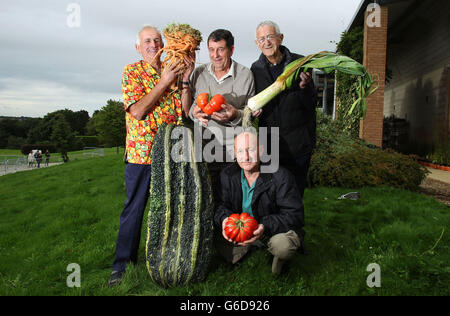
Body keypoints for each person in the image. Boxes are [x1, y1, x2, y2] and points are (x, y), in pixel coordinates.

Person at [109, 25, 194, 287]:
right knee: (135, 209)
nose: (154, 45)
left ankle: (168, 261)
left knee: (171, 211)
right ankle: (121, 267)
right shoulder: (132, 72)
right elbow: (137, 111)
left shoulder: (173, 69)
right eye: (147, 41)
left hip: (173, 153)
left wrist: (186, 79)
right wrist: (165, 81)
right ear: (138, 47)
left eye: (158, 40)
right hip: (142, 155)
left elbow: (186, 111)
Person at [214, 130, 304, 275]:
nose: (246, 157)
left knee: (283, 246)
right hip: (242, 229)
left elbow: (295, 215)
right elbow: (220, 205)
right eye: (241, 151)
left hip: (270, 230)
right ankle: (250, 249)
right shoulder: (227, 175)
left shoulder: (281, 176)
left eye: (251, 150)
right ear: (235, 153)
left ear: (261, 151)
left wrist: (263, 226)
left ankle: (274, 256)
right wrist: (224, 220)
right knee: (213, 234)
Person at [250, 21, 317, 198]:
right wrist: (253, 114)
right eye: (261, 39)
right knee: (271, 193)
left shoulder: (300, 63)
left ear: (280, 38)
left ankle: (294, 226)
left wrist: (305, 87)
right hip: (269, 143)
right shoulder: (255, 69)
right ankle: (273, 226)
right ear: (257, 44)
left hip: (297, 143)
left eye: (270, 37)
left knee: (294, 193)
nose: (266, 42)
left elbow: (311, 103)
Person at [189, 29, 256, 202]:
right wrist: (194, 113)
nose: (215, 55)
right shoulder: (198, 73)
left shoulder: (245, 75)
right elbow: (190, 109)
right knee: (206, 202)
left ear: (231, 50)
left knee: (232, 200)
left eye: (220, 49)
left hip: (233, 153)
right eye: (211, 49)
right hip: (204, 150)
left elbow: (251, 114)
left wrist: (235, 115)